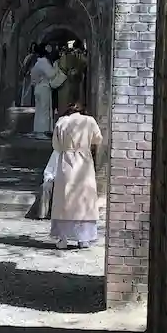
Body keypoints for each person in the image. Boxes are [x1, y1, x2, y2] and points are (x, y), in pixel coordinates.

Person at [49, 101, 103, 248]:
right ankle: (83, 239)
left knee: (64, 199)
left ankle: (63, 238)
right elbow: (98, 139)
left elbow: (56, 145)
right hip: (84, 162)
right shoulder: (89, 121)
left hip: (66, 162)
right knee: (84, 198)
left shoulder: (62, 122)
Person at [29, 42, 65, 137]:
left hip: (37, 88)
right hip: (44, 88)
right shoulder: (44, 62)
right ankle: (44, 132)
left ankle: (38, 130)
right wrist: (56, 66)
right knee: (45, 111)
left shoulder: (37, 62)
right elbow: (51, 74)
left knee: (39, 111)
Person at [58, 39, 87, 114]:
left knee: (74, 94)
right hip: (77, 77)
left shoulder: (72, 56)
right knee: (76, 94)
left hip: (76, 77)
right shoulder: (77, 55)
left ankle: (74, 108)